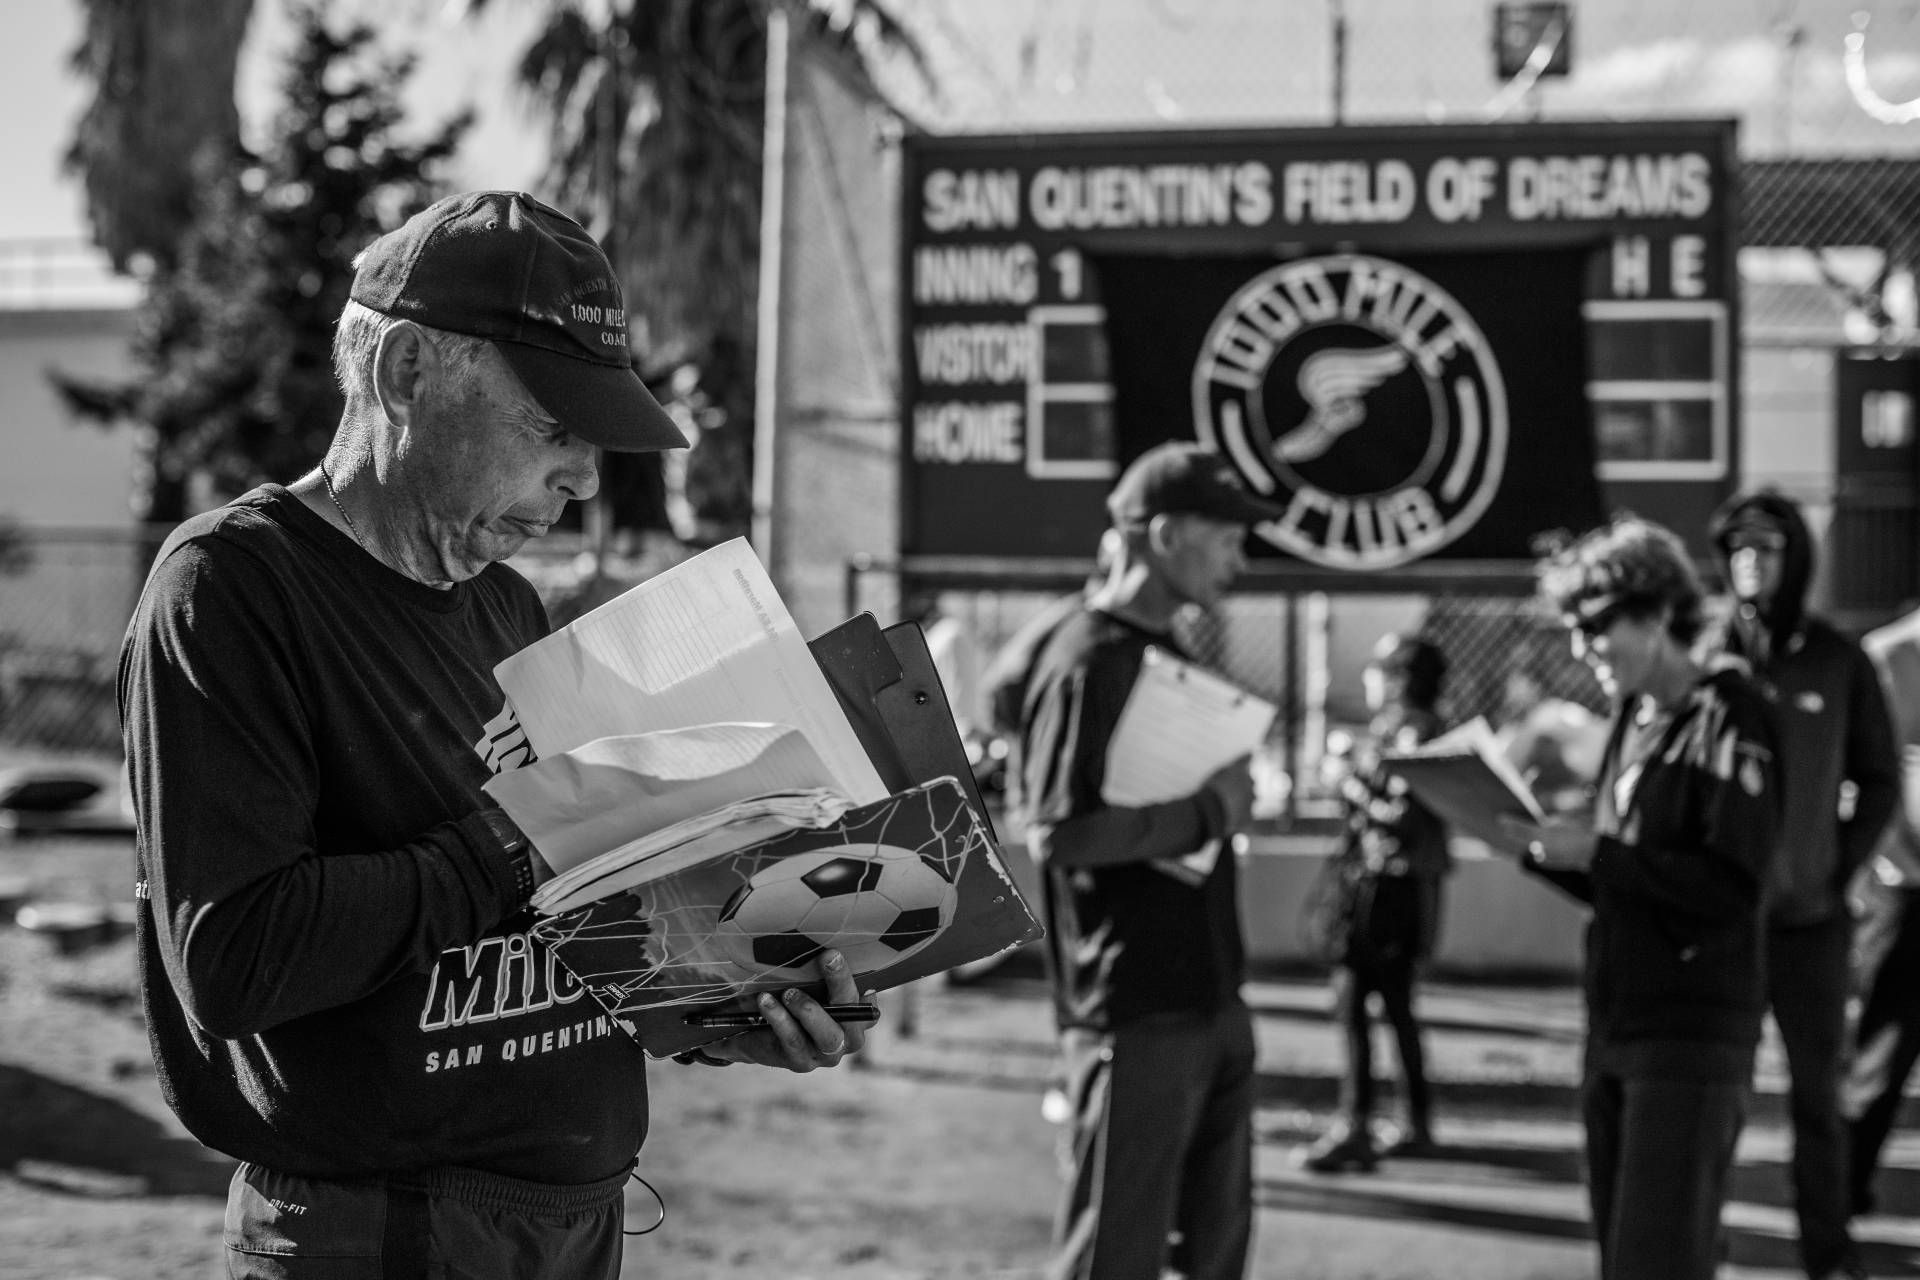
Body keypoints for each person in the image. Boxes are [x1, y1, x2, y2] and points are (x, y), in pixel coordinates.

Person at [120, 191, 868, 1280]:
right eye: (550, 427)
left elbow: (551, 924)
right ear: (407, 368)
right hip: (381, 1234)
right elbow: (237, 956)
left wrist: (726, 1001)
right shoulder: (230, 586)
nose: (580, 477)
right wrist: (526, 833)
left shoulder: (508, 607)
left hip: (568, 1223)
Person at [1017, 441, 1281, 1280]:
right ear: (1164, 535)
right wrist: (1209, 812)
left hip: (1211, 1000)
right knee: (1114, 1259)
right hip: (1132, 1014)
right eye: (1228, 534)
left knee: (1215, 1253)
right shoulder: (1085, 658)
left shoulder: (1171, 653)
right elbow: (1057, 835)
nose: (1242, 556)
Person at [1493, 515, 1781, 1280]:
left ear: (1656, 613)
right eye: (1574, 630)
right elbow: (1625, 878)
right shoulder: (1632, 718)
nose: (1583, 648)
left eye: (1597, 627)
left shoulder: (1729, 714)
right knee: (1627, 1260)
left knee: (1658, 1262)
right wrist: (1537, 851)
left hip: (1689, 1034)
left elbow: (1732, 886)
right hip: (1617, 1021)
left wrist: (1601, 853)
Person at [1702, 489, 1899, 1280]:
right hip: (1720, 926)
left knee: (1820, 1102)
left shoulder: (1837, 659)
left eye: (1769, 546)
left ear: (1795, 559)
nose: (1752, 560)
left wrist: (1833, 866)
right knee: (1717, 1098)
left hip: (1811, 926)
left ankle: (1830, 1252)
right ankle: (1696, 1245)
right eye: (1739, 546)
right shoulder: (1706, 656)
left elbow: (1879, 779)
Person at [1299, 633, 1452, 1173]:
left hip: (1390, 890)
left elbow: (1405, 819)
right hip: (1399, 887)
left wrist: (1350, 783)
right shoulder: (1421, 730)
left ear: (1398, 679)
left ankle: (1356, 1124)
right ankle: (1412, 1121)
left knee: (1357, 1004)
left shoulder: (1415, 733)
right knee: (1393, 1007)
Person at [1847, 601, 1920, 1220]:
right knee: (1880, 1058)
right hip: (1907, 888)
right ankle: (1840, 1196)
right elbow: (1874, 779)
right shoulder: (1892, 657)